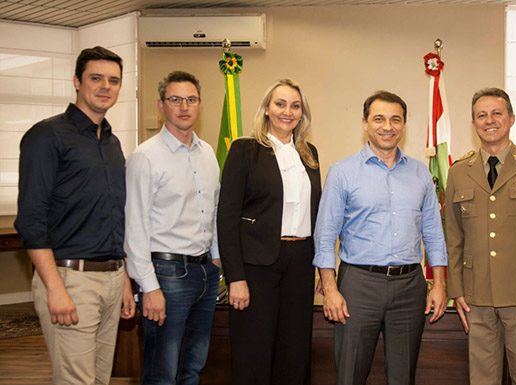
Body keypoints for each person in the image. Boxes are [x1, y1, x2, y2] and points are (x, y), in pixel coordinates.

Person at [14, 46, 135, 385]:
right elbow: (31, 219)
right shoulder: (47, 135)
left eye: (113, 80)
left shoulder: (111, 142)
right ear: (76, 82)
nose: (105, 86)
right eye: (96, 78)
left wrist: (123, 279)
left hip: (111, 277)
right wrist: (55, 288)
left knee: (98, 380)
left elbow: (113, 217)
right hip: (71, 278)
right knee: (75, 381)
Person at [314, 90, 448, 385]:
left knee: (403, 376)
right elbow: (325, 236)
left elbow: (434, 234)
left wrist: (439, 284)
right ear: (365, 123)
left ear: (403, 125)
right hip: (359, 285)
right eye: (379, 119)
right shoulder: (343, 172)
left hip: (409, 286)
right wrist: (330, 288)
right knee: (351, 374)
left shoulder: (420, 174)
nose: (387, 126)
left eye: (395, 119)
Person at [444, 87, 516, 385]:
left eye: (497, 113)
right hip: (477, 295)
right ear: (473, 124)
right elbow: (454, 237)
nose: (489, 121)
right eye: (481, 115)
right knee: (482, 379)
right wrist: (457, 290)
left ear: (511, 118)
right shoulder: (459, 172)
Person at [217, 79, 321, 384]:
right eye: (280, 104)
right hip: (255, 266)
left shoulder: (309, 154)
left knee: (295, 352)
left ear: (302, 113)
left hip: (300, 263)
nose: (287, 112)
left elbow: (315, 212)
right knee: (254, 352)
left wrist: (321, 267)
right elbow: (227, 218)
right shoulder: (245, 150)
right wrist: (235, 277)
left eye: (295, 106)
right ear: (266, 108)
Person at [124, 71, 220, 385]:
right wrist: (149, 287)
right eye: (175, 99)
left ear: (200, 105)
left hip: (204, 272)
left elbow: (214, 210)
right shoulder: (145, 157)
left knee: (193, 367)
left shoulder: (207, 154)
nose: (184, 106)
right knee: (162, 372)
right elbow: (134, 227)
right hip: (166, 275)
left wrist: (217, 257)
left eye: (191, 99)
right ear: (162, 105)